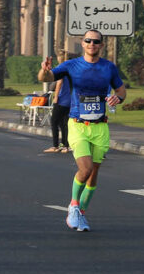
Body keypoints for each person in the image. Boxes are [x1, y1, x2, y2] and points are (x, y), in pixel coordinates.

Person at [38, 29, 126, 232]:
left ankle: (81, 214)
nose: (92, 44)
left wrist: (117, 98)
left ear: (101, 45)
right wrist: (44, 70)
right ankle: (73, 206)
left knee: (94, 173)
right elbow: (47, 76)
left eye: (96, 41)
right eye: (88, 40)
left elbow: (121, 90)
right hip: (77, 124)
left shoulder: (109, 68)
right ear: (82, 43)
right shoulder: (72, 65)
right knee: (85, 169)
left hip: (100, 126)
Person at [45, 49, 71, 153]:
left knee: (54, 122)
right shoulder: (70, 68)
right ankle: (65, 145)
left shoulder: (61, 68)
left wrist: (56, 97)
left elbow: (59, 82)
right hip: (70, 100)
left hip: (61, 100)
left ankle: (55, 145)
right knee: (64, 123)